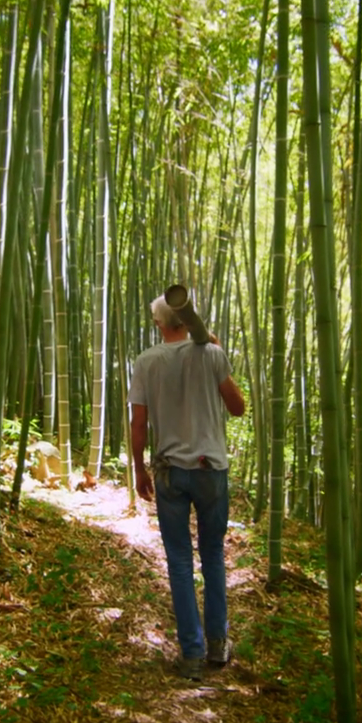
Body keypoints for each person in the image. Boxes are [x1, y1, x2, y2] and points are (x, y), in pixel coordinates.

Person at [129, 292, 246, 681]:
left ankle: (192, 654)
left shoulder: (147, 361)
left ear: (160, 324)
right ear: (188, 319)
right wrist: (217, 354)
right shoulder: (211, 354)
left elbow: (139, 423)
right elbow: (238, 407)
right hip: (211, 469)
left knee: (179, 560)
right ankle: (217, 644)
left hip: (170, 472)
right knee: (212, 554)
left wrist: (139, 469)